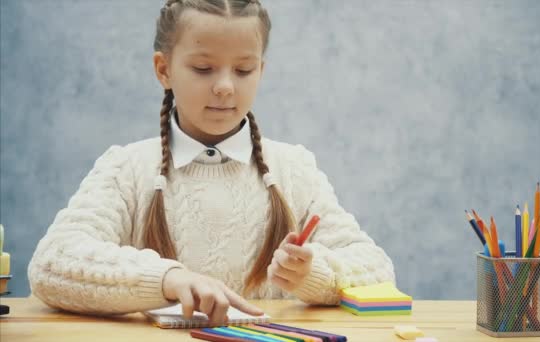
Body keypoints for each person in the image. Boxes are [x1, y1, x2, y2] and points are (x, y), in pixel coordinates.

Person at [28, 0, 395, 327]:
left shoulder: (294, 170)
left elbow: (377, 271)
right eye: (203, 69)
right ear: (163, 69)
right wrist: (167, 280)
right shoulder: (127, 168)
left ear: (261, 71)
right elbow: (52, 263)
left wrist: (312, 272)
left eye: (244, 70)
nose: (224, 86)